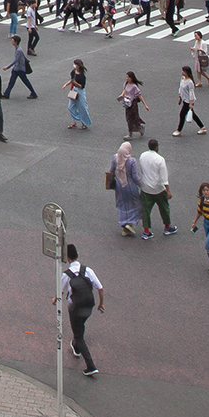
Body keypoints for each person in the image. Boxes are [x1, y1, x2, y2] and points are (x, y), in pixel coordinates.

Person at [54, 246, 104, 377]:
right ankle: (76, 347)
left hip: (75, 308)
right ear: (78, 254)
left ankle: (91, 366)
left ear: (67, 258)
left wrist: (55, 300)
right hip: (89, 306)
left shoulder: (66, 275)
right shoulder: (88, 270)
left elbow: (60, 292)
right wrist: (101, 303)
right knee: (80, 326)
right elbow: (100, 288)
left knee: (79, 336)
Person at [137, 139, 176, 239]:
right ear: (156, 147)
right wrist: (168, 191)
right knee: (164, 208)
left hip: (145, 187)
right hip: (158, 188)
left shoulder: (142, 156)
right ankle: (167, 227)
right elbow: (164, 178)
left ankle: (146, 231)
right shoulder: (160, 159)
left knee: (146, 209)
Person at [109, 140, 140, 238]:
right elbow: (135, 177)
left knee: (121, 204)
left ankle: (124, 226)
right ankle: (130, 223)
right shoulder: (131, 161)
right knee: (135, 204)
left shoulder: (115, 158)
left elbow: (111, 171)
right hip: (130, 186)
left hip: (119, 186)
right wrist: (142, 185)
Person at [173, 67, 206, 136]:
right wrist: (179, 96)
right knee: (193, 115)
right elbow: (180, 88)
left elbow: (191, 93)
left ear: (187, 72)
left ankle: (179, 130)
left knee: (182, 114)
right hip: (185, 100)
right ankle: (202, 127)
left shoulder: (190, 82)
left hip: (188, 101)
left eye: (183, 71)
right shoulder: (182, 79)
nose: (182, 72)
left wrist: (191, 103)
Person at [64, 61, 91, 130]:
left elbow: (82, 86)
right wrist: (66, 85)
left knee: (82, 107)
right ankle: (75, 120)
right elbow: (72, 80)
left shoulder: (82, 76)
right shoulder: (73, 72)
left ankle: (84, 123)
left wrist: (75, 83)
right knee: (71, 106)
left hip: (80, 91)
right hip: (74, 89)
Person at [117, 72, 144, 137]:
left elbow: (139, 95)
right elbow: (124, 91)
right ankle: (130, 133)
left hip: (133, 104)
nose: (127, 78)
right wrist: (121, 96)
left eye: (128, 77)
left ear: (131, 78)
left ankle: (139, 128)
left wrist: (145, 105)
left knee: (134, 117)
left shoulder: (134, 86)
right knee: (128, 118)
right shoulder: (126, 84)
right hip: (127, 103)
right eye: (126, 77)